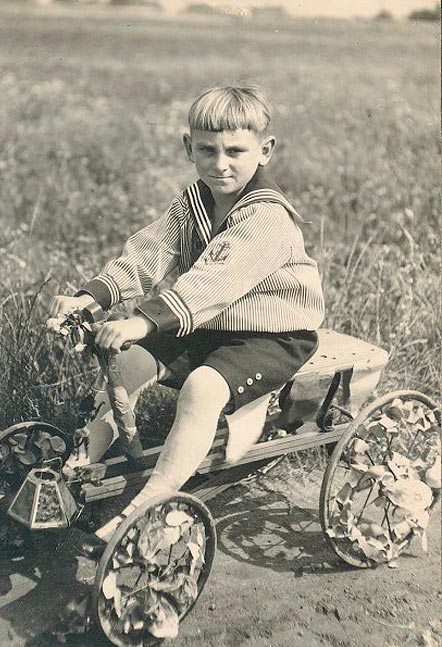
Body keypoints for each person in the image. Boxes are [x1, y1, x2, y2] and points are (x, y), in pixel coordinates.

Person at [50, 85, 324, 555]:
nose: (221, 163)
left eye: (236, 151)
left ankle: (156, 497)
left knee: (203, 387)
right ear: (188, 148)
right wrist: (91, 298)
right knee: (133, 362)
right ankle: (78, 464)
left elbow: (214, 280)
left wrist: (142, 321)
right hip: (210, 323)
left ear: (266, 150)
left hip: (274, 334)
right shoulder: (194, 201)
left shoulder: (267, 218)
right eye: (207, 150)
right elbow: (149, 251)